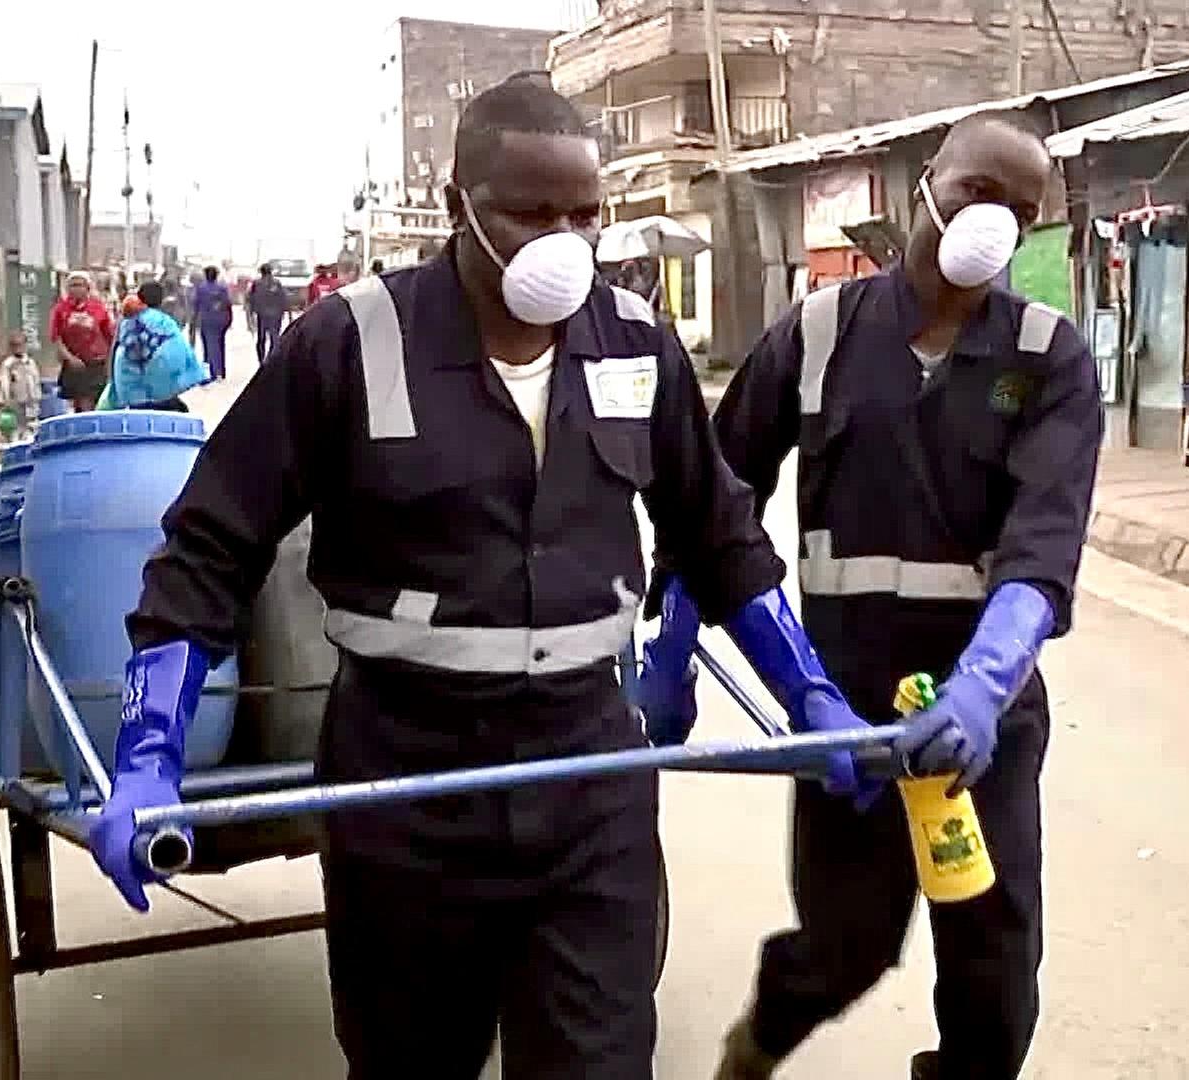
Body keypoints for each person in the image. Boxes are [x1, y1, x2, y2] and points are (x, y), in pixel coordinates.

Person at [89, 75, 879, 1079]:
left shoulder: (635, 344)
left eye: (585, 214)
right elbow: (209, 549)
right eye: (531, 212)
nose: (566, 239)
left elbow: (719, 534)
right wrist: (149, 751)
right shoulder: (349, 343)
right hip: (404, 779)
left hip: (586, 772)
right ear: (461, 205)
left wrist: (811, 695)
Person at [639, 112, 1105, 1080]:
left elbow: (1040, 556)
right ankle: (758, 1040)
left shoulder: (1047, 360)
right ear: (925, 185)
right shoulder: (816, 336)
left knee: (996, 980)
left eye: (1022, 212)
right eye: (980, 193)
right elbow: (712, 504)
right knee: (846, 946)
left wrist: (981, 692)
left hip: (984, 726)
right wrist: (671, 650)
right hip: (840, 714)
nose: (996, 225)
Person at [104, 281, 209, 412]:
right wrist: (197, 375)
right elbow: (180, 352)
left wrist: (112, 380)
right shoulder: (165, 322)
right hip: (163, 391)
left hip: (134, 391)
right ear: (161, 300)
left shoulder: (127, 321)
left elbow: (117, 350)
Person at [49, 271, 115, 412]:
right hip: (73, 365)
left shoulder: (98, 307)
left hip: (96, 364)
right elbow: (56, 337)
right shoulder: (61, 309)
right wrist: (69, 358)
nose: (76, 289)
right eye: (73, 285)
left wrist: (109, 363)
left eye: (80, 285)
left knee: (92, 402)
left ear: (87, 288)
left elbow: (110, 336)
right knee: (79, 404)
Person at [190, 265, 234, 382]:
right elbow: (228, 304)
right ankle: (221, 371)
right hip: (222, 320)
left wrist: (193, 322)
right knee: (220, 344)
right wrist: (230, 320)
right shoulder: (222, 288)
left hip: (207, 320)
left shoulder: (201, 288)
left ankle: (215, 373)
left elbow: (195, 305)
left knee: (211, 345)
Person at [0, 331, 43, 440]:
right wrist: (6, 399)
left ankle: (29, 439)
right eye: (15, 345)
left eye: (20, 345)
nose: (18, 348)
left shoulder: (30, 362)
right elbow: (5, 383)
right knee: (16, 424)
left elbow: (35, 379)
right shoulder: (8, 364)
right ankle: (15, 440)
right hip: (16, 399)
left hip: (31, 398)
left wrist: (37, 395)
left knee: (31, 423)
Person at [245, 263, 290, 364]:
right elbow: (283, 299)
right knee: (275, 338)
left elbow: (250, 299)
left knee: (261, 338)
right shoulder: (277, 283)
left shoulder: (256, 283)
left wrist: (251, 315)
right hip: (276, 315)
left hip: (262, 315)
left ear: (261, 272)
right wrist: (285, 312)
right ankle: (272, 359)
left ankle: (262, 360)